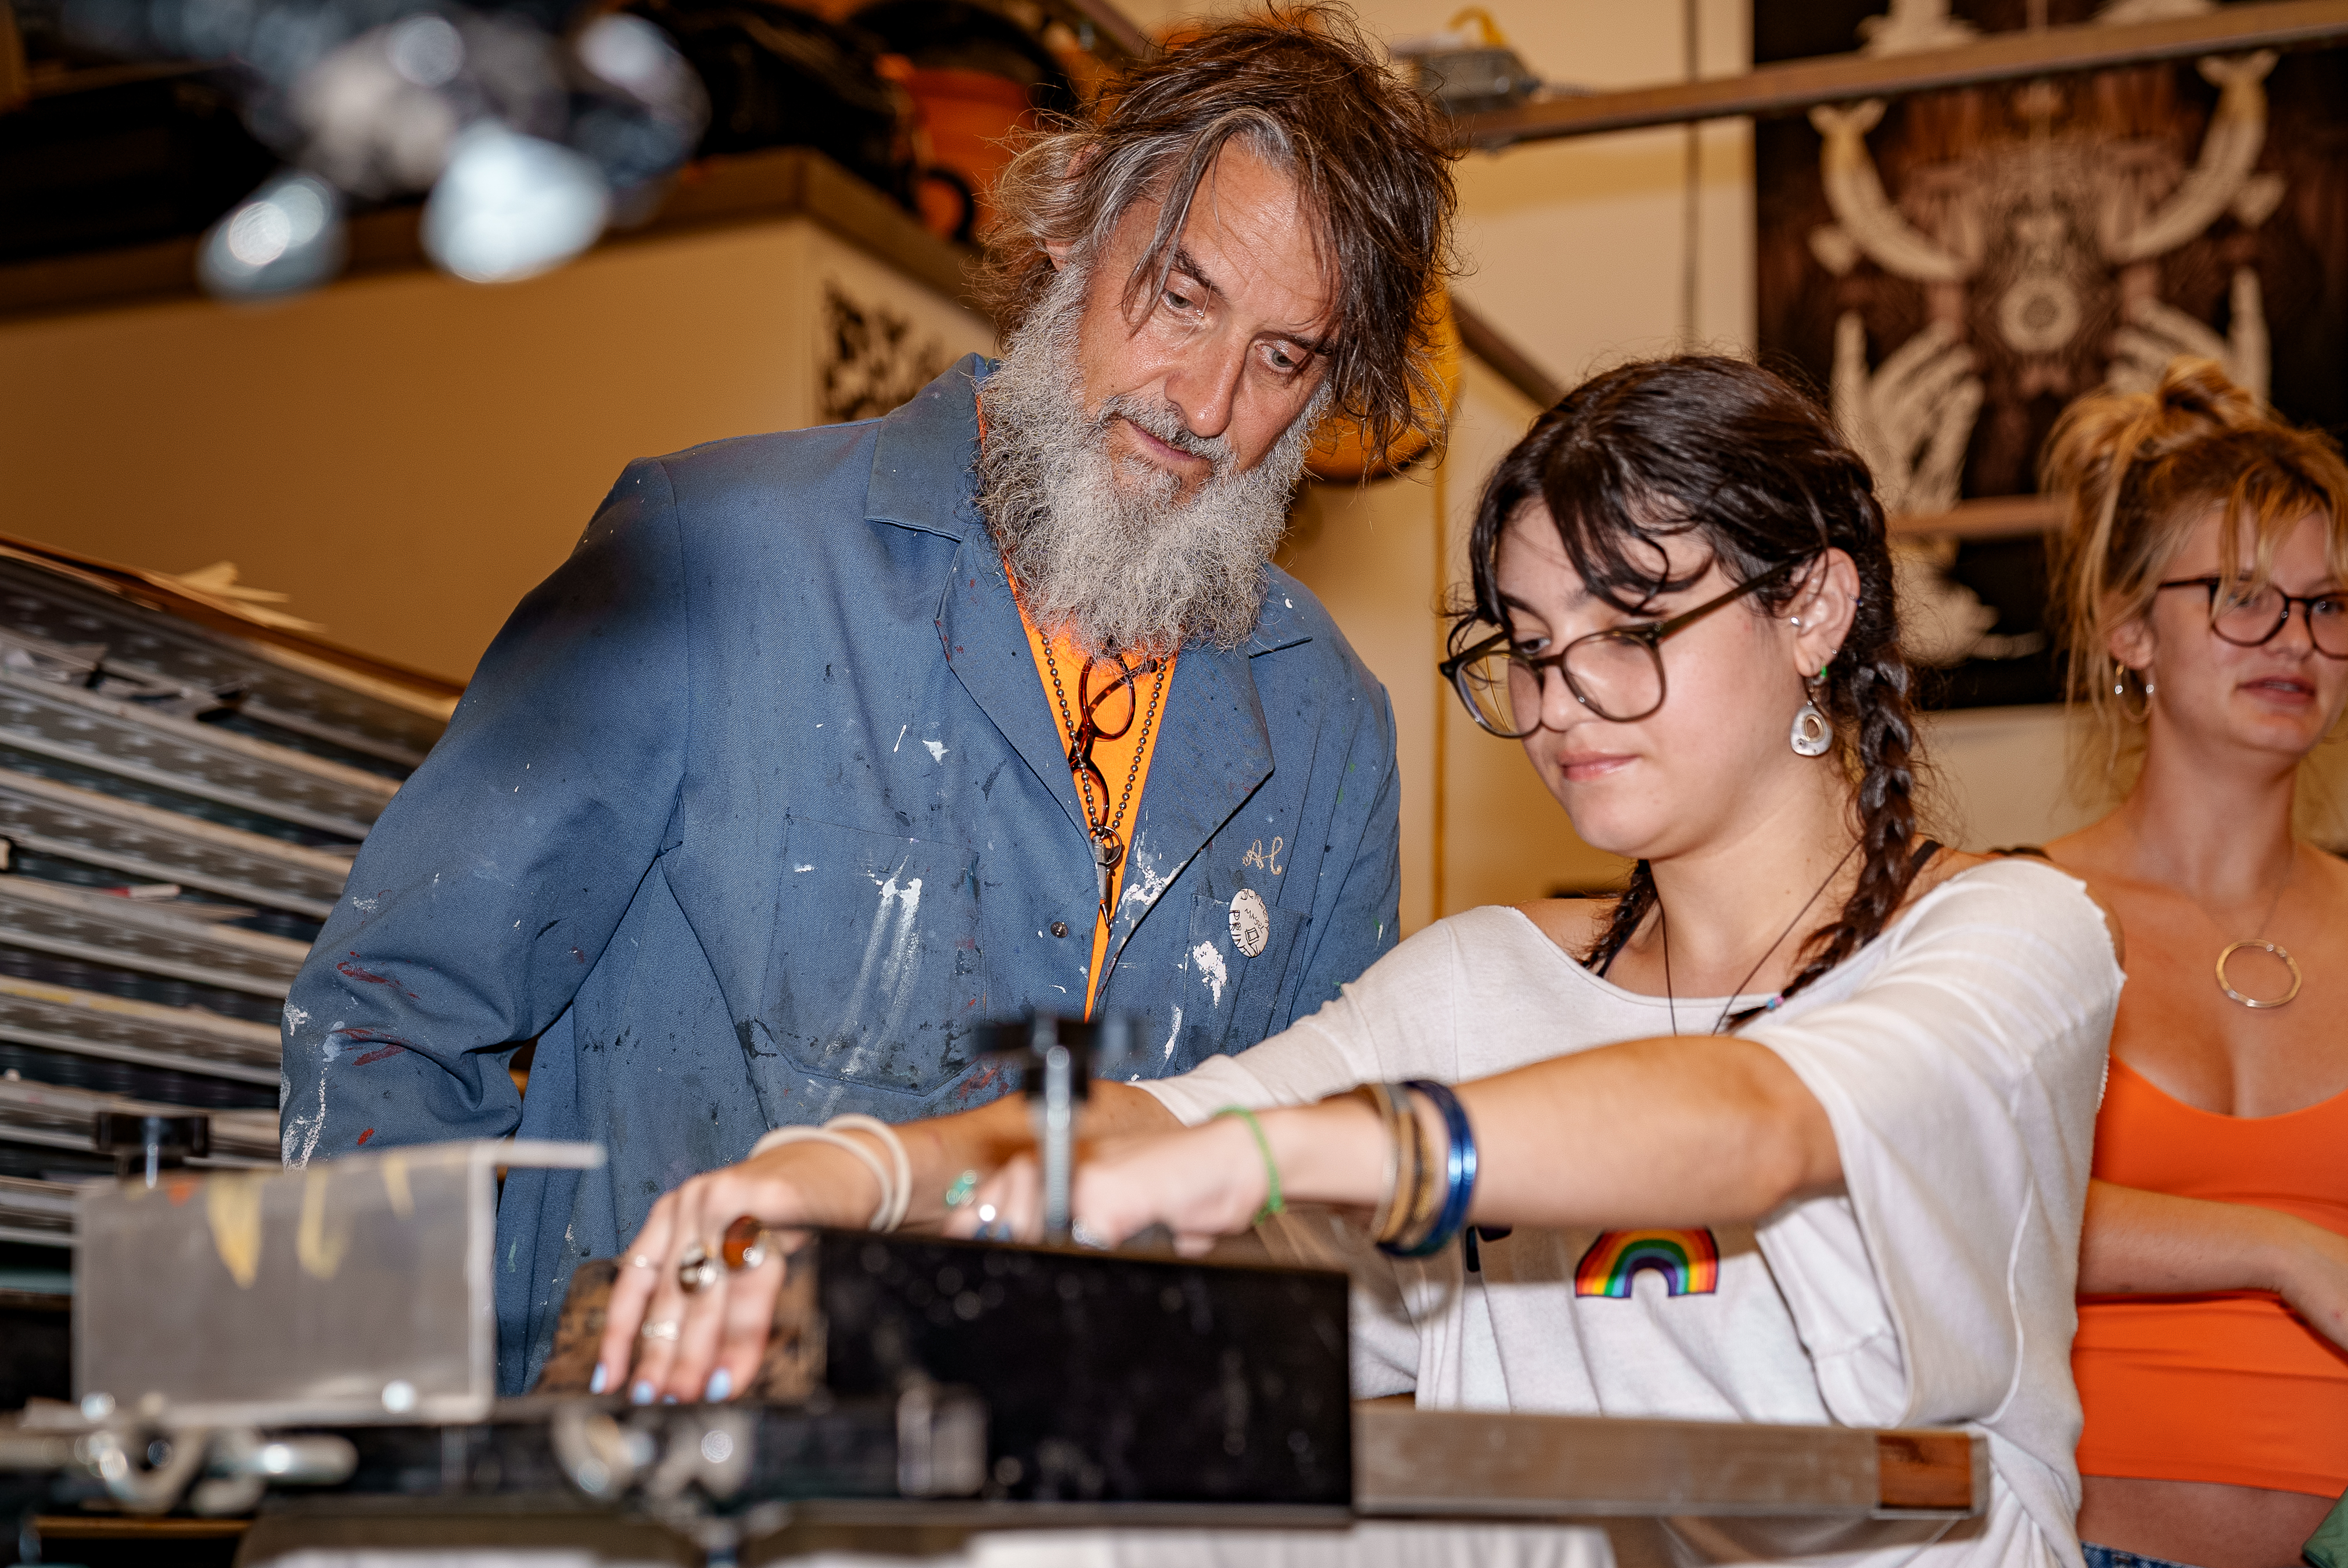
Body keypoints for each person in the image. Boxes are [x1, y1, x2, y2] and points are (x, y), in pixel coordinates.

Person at [601, 358, 2124, 1568]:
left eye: (1632, 622)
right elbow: (1155, 1129)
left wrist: (1283, 1154)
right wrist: (849, 1179)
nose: (1562, 701)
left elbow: (1760, 1116)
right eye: (1526, 644)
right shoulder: (1483, 979)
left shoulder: (2010, 940)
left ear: (1814, 606)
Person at [278, 8, 1459, 1394]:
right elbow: (394, 1013)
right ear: (1073, 228)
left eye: (1282, 359)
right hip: (657, 1488)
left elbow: (1313, 1215)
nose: (1203, 401)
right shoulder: (709, 556)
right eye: (1180, 295)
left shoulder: (1324, 729)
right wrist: (388, 1448)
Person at [2033, 359, 2348, 1568]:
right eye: (2238, 595)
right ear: (2127, 629)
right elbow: (1954, 1209)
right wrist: (2281, 1247)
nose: (2294, 639)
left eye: (2326, 603)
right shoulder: (2015, 913)